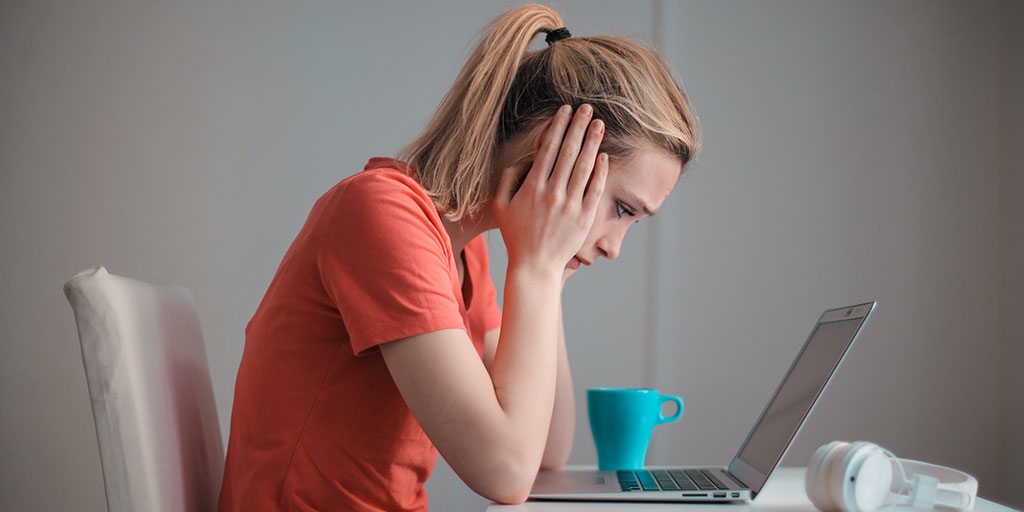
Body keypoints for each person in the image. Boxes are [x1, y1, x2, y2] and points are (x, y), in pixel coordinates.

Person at [217, 4, 699, 511]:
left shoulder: (468, 255)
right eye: (622, 209)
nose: (614, 246)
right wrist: (535, 269)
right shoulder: (381, 215)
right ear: (551, 153)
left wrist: (548, 272)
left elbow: (545, 454)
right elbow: (506, 472)